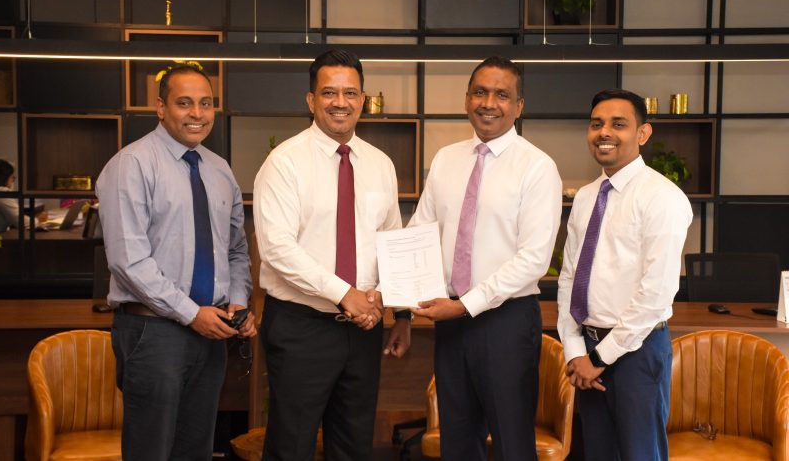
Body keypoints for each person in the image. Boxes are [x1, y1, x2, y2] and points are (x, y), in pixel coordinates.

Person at [253, 49, 411, 461]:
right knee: (291, 447)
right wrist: (345, 294)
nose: (340, 102)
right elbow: (277, 248)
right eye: (329, 92)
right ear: (311, 100)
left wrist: (396, 309)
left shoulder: (380, 164)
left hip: (363, 330)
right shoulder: (284, 163)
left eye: (350, 93)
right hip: (301, 328)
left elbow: (391, 240)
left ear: (362, 100)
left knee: (353, 446)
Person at [96, 63, 255, 461]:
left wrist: (238, 302)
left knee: (195, 449)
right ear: (161, 107)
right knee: (151, 451)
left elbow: (236, 249)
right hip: (154, 332)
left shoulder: (219, 170)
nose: (197, 113)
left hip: (212, 332)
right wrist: (190, 313)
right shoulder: (132, 165)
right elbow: (129, 261)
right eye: (184, 103)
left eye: (206, 103)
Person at [408, 56, 562, 461]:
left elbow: (533, 259)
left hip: (505, 322)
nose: (489, 103)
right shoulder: (446, 159)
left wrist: (464, 305)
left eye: (502, 95)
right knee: (457, 442)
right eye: (480, 92)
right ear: (466, 99)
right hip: (450, 322)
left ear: (519, 106)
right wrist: (398, 289)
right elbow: (420, 232)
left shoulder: (537, 167)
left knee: (513, 444)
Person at [557, 89, 692, 461]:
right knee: (599, 453)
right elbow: (569, 277)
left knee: (640, 454)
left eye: (618, 124)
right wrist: (575, 352)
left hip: (637, 352)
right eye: (596, 124)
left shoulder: (662, 198)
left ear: (643, 133)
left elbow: (656, 294)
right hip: (588, 350)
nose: (604, 132)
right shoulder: (586, 197)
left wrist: (599, 359)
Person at [0, 159, 48, 232]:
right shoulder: (2, 192)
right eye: (12, 177)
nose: (13, 180)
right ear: (4, 177)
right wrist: (37, 219)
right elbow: (21, 222)